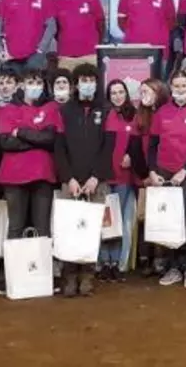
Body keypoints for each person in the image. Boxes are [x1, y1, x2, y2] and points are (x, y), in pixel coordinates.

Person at [54, 63, 114, 297]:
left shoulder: (106, 110)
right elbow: (59, 148)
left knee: (91, 230)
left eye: (91, 79)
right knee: (69, 228)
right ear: (75, 85)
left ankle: (88, 275)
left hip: (95, 182)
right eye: (83, 80)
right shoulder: (65, 111)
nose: (87, 84)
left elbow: (108, 147)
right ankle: (69, 276)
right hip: (71, 182)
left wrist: (95, 177)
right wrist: (68, 178)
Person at [148, 71, 186, 288]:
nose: (181, 88)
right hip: (164, 172)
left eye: (184, 85)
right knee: (168, 221)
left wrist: (185, 170)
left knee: (185, 218)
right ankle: (172, 267)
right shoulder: (162, 112)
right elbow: (153, 145)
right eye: (177, 85)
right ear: (171, 87)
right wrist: (153, 171)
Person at [0, 69, 59, 241]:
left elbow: (50, 139)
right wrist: (36, 140)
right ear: (22, 85)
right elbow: (6, 142)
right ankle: (14, 268)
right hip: (13, 175)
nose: (35, 87)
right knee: (15, 227)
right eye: (31, 83)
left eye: (38, 83)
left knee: (43, 228)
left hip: (43, 174)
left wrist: (21, 132)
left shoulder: (51, 108)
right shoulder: (8, 109)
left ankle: (43, 267)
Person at [98, 79, 138, 280]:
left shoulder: (134, 115)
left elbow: (139, 143)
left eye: (120, 92)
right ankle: (104, 262)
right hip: (105, 176)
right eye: (113, 93)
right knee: (105, 221)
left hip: (124, 177)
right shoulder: (104, 115)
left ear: (126, 93)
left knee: (120, 220)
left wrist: (132, 155)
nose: (117, 96)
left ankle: (117, 263)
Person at [129, 78, 168, 276]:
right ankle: (145, 258)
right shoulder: (139, 116)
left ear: (158, 92)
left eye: (147, 91)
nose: (143, 95)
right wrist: (144, 175)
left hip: (163, 173)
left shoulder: (168, 112)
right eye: (141, 91)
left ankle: (160, 257)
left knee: (162, 216)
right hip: (144, 174)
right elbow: (134, 147)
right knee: (145, 217)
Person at [117, 0, 176, 74]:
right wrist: (134, 33)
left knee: (159, 89)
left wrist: (159, 33)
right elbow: (121, 22)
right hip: (134, 51)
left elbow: (172, 20)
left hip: (160, 51)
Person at [53, 0, 105, 71]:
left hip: (89, 55)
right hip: (66, 57)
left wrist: (94, 44)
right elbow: (55, 30)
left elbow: (101, 24)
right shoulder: (55, 1)